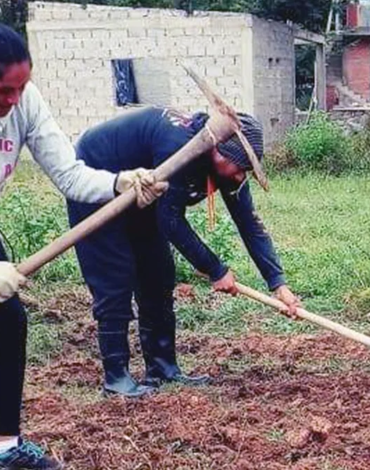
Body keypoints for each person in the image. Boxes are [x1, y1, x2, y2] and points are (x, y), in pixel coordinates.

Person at [0, 25, 166, 470]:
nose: (13, 100)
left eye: (21, 87)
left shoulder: (24, 103)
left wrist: (118, 181)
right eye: (4, 90)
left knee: (8, 320)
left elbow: (70, 175)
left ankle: (5, 449)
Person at [66, 106, 301, 401]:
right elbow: (171, 222)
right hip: (98, 178)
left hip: (145, 194)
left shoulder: (228, 168)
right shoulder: (179, 148)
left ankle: (162, 369)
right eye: (240, 167)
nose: (242, 176)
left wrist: (278, 284)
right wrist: (215, 269)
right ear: (218, 150)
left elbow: (249, 223)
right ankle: (117, 379)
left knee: (159, 274)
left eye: (247, 170)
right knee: (115, 277)